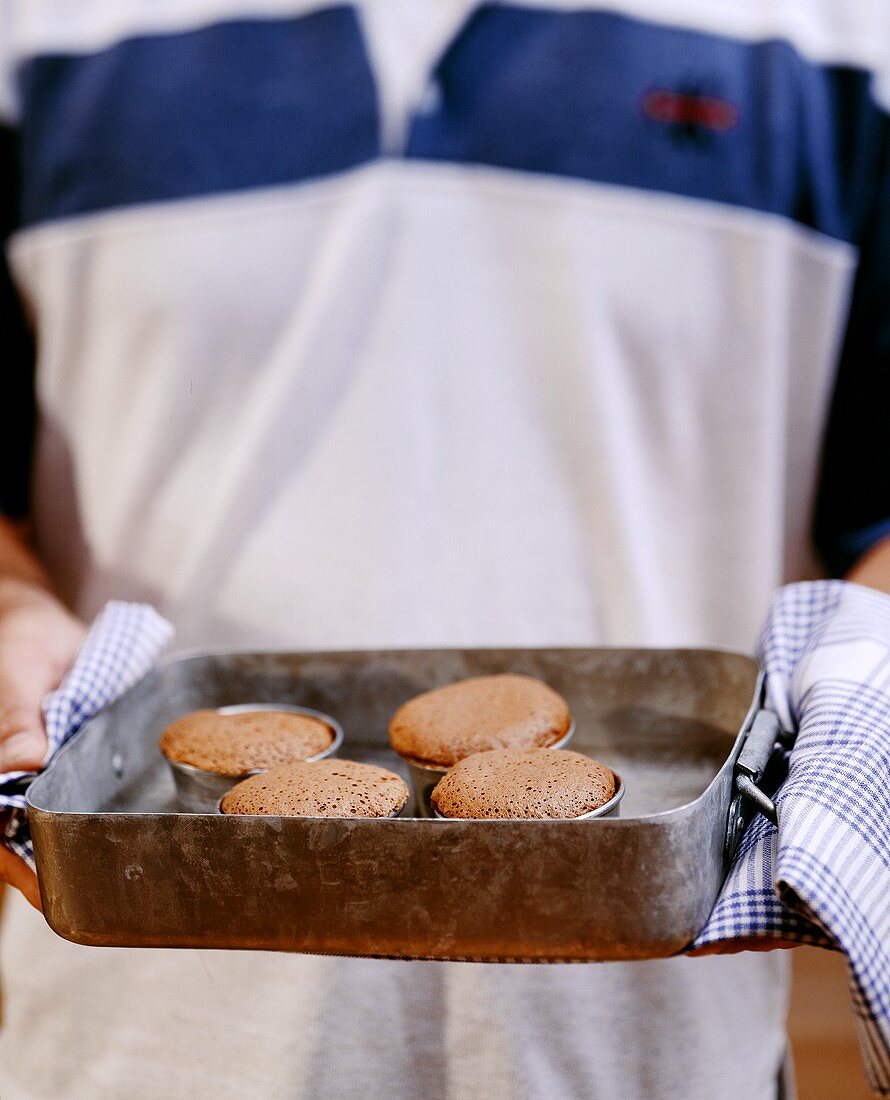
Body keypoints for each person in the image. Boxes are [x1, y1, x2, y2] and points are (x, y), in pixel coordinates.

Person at [0, 3, 888, 1097]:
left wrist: (856, 712)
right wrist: (10, 604)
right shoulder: (35, 32)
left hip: (650, 1052)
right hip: (130, 1046)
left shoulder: (848, 39)